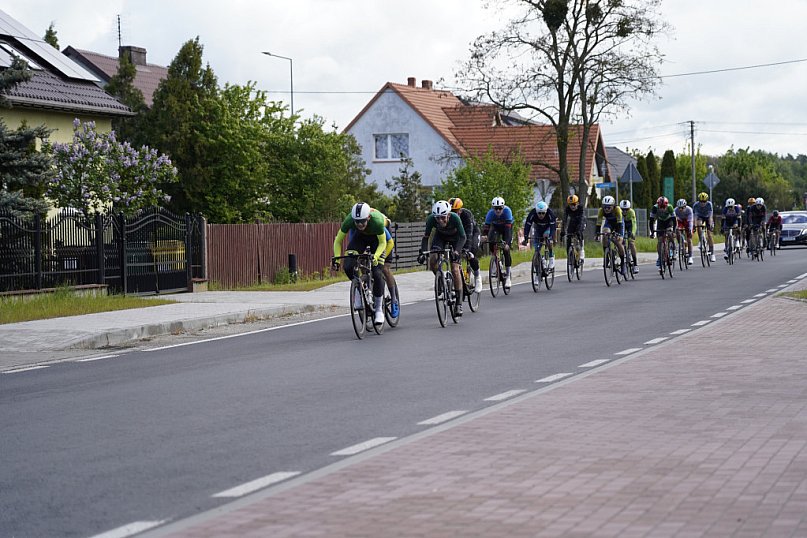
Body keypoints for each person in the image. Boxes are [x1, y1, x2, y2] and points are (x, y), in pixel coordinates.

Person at [332, 202, 388, 326]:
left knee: (378, 273)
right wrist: (336, 259)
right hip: (360, 238)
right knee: (348, 266)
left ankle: (379, 309)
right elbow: (337, 241)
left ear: (368, 217)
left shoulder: (377, 221)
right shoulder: (349, 221)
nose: (360, 224)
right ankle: (358, 290)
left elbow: (383, 243)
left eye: (362, 221)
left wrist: (376, 256)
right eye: (357, 222)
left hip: (376, 240)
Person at [418, 200, 467, 316]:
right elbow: (426, 237)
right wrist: (422, 252)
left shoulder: (455, 218)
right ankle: (440, 280)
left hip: (456, 239)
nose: (440, 221)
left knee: (455, 269)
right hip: (440, 237)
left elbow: (463, 237)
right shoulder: (431, 219)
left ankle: (459, 304)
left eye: (443, 218)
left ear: (449, 215)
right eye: (437, 218)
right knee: (432, 260)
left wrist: (456, 251)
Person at [448, 197, 482, 294]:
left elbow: (469, 233)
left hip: (473, 233)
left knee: (470, 254)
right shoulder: (449, 216)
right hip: (460, 235)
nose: (454, 213)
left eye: (456, 211)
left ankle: (477, 276)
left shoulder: (467, 215)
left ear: (461, 210)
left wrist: (467, 249)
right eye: (451, 211)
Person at [482, 196, 515, 288]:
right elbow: (486, 228)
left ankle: (508, 276)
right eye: (496, 209)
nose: (498, 211)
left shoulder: (507, 212)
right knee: (491, 241)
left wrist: (507, 244)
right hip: (496, 227)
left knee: (506, 250)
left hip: (506, 228)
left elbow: (508, 232)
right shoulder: (490, 214)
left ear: (503, 207)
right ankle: (496, 261)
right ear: (493, 208)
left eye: (500, 208)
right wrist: (484, 236)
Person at [595, 195, 626, 274]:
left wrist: (618, 234)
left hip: (619, 223)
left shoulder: (617, 209)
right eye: (605, 207)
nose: (606, 209)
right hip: (609, 223)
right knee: (605, 234)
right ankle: (607, 255)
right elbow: (598, 223)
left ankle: (623, 263)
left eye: (609, 207)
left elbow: (619, 222)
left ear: (613, 206)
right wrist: (597, 234)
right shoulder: (601, 211)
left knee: (618, 242)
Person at [521, 200, 557, 269]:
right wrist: (525, 238)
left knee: (546, 237)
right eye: (539, 213)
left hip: (548, 228)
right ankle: (540, 259)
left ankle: (551, 256)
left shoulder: (550, 213)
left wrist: (551, 237)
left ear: (546, 212)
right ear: (536, 212)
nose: (541, 215)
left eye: (543, 213)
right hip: (538, 228)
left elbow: (553, 227)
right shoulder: (533, 213)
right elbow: (527, 225)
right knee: (537, 248)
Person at [649, 196, 676, 268]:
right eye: (660, 207)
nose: (662, 209)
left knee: (670, 233)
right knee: (660, 240)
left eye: (664, 207)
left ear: (666, 205)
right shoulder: (654, 208)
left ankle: (673, 248)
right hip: (660, 222)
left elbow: (674, 220)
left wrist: (674, 230)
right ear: (658, 205)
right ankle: (660, 257)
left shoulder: (670, 207)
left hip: (669, 221)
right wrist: (652, 232)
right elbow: (651, 221)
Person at [561, 194, 586, 267]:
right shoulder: (567, 209)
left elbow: (581, 220)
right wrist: (563, 230)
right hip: (573, 222)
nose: (572, 206)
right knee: (569, 237)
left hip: (581, 221)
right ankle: (570, 257)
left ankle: (581, 251)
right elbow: (565, 220)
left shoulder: (580, 208)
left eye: (574, 204)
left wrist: (578, 230)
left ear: (577, 203)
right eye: (570, 205)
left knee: (579, 233)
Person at [693, 192, 716, 262]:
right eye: (701, 202)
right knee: (698, 225)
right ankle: (701, 240)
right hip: (700, 217)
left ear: (707, 201)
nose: (703, 203)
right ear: (698, 201)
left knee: (709, 234)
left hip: (707, 217)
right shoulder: (696, 205)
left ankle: (712, 254)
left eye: (704, 202)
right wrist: (694, 225)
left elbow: (710, 216)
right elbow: (695, 217)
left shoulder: (709, 204)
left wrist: (711, 224)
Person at [620, 199, 638, 273]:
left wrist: (633, 233)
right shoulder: (619, 212)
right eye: (623, 210)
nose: (624, 212)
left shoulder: (631, 212)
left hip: (630, 225)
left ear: (629, 208)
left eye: (626, 210)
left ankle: (635, 264)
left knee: (631, 242)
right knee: (620, 241)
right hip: (622, 225)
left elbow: (633, 224)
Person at [674, 198, 694, 265]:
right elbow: (674, 221)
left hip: (687, 221)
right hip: (679, 221)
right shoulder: (675, 210)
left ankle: (690, 256)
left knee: (689, 239)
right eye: (679, 208)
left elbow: (690, 221)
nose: (680, 209)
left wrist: (690, 230)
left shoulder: (689, 210)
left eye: (682, 208)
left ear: (685, 206)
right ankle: (680, 243)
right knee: (677, 229)